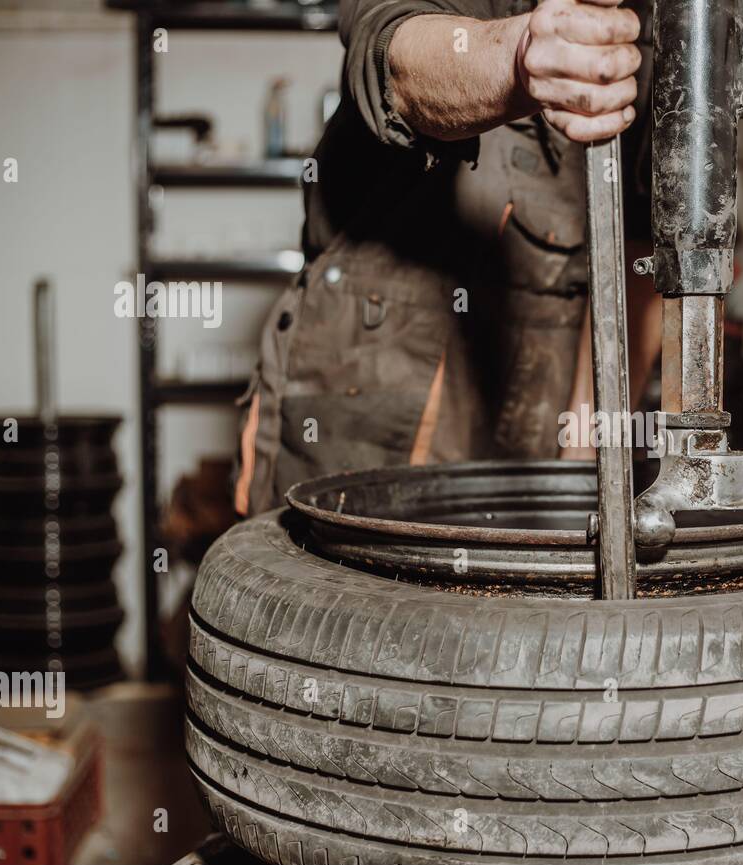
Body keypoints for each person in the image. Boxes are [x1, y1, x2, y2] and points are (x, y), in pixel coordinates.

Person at [235, 0, 658, 515]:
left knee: (512, 586)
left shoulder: (659, 24)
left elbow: (638, 254)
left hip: (531, 405)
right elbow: (397, 57)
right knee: (331, 580)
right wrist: (520, 58)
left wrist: (583, 454)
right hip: (356, 390)